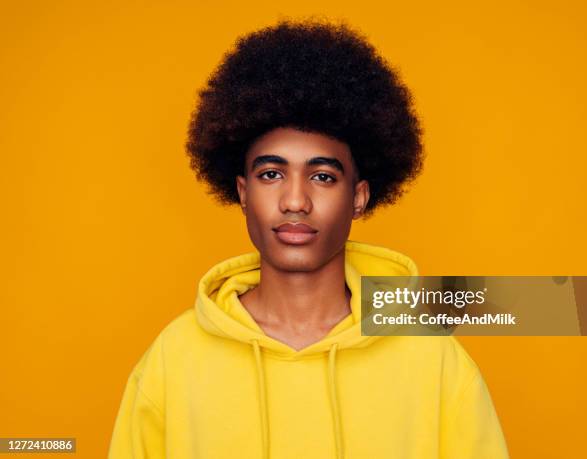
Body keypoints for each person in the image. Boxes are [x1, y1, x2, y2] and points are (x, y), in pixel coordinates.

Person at [108, 19, 509, 458]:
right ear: (243, 193)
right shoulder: (172, 361)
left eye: (321, 176)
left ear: (358, 197)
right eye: (271, 174)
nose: (295, 200)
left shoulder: (436, 361)